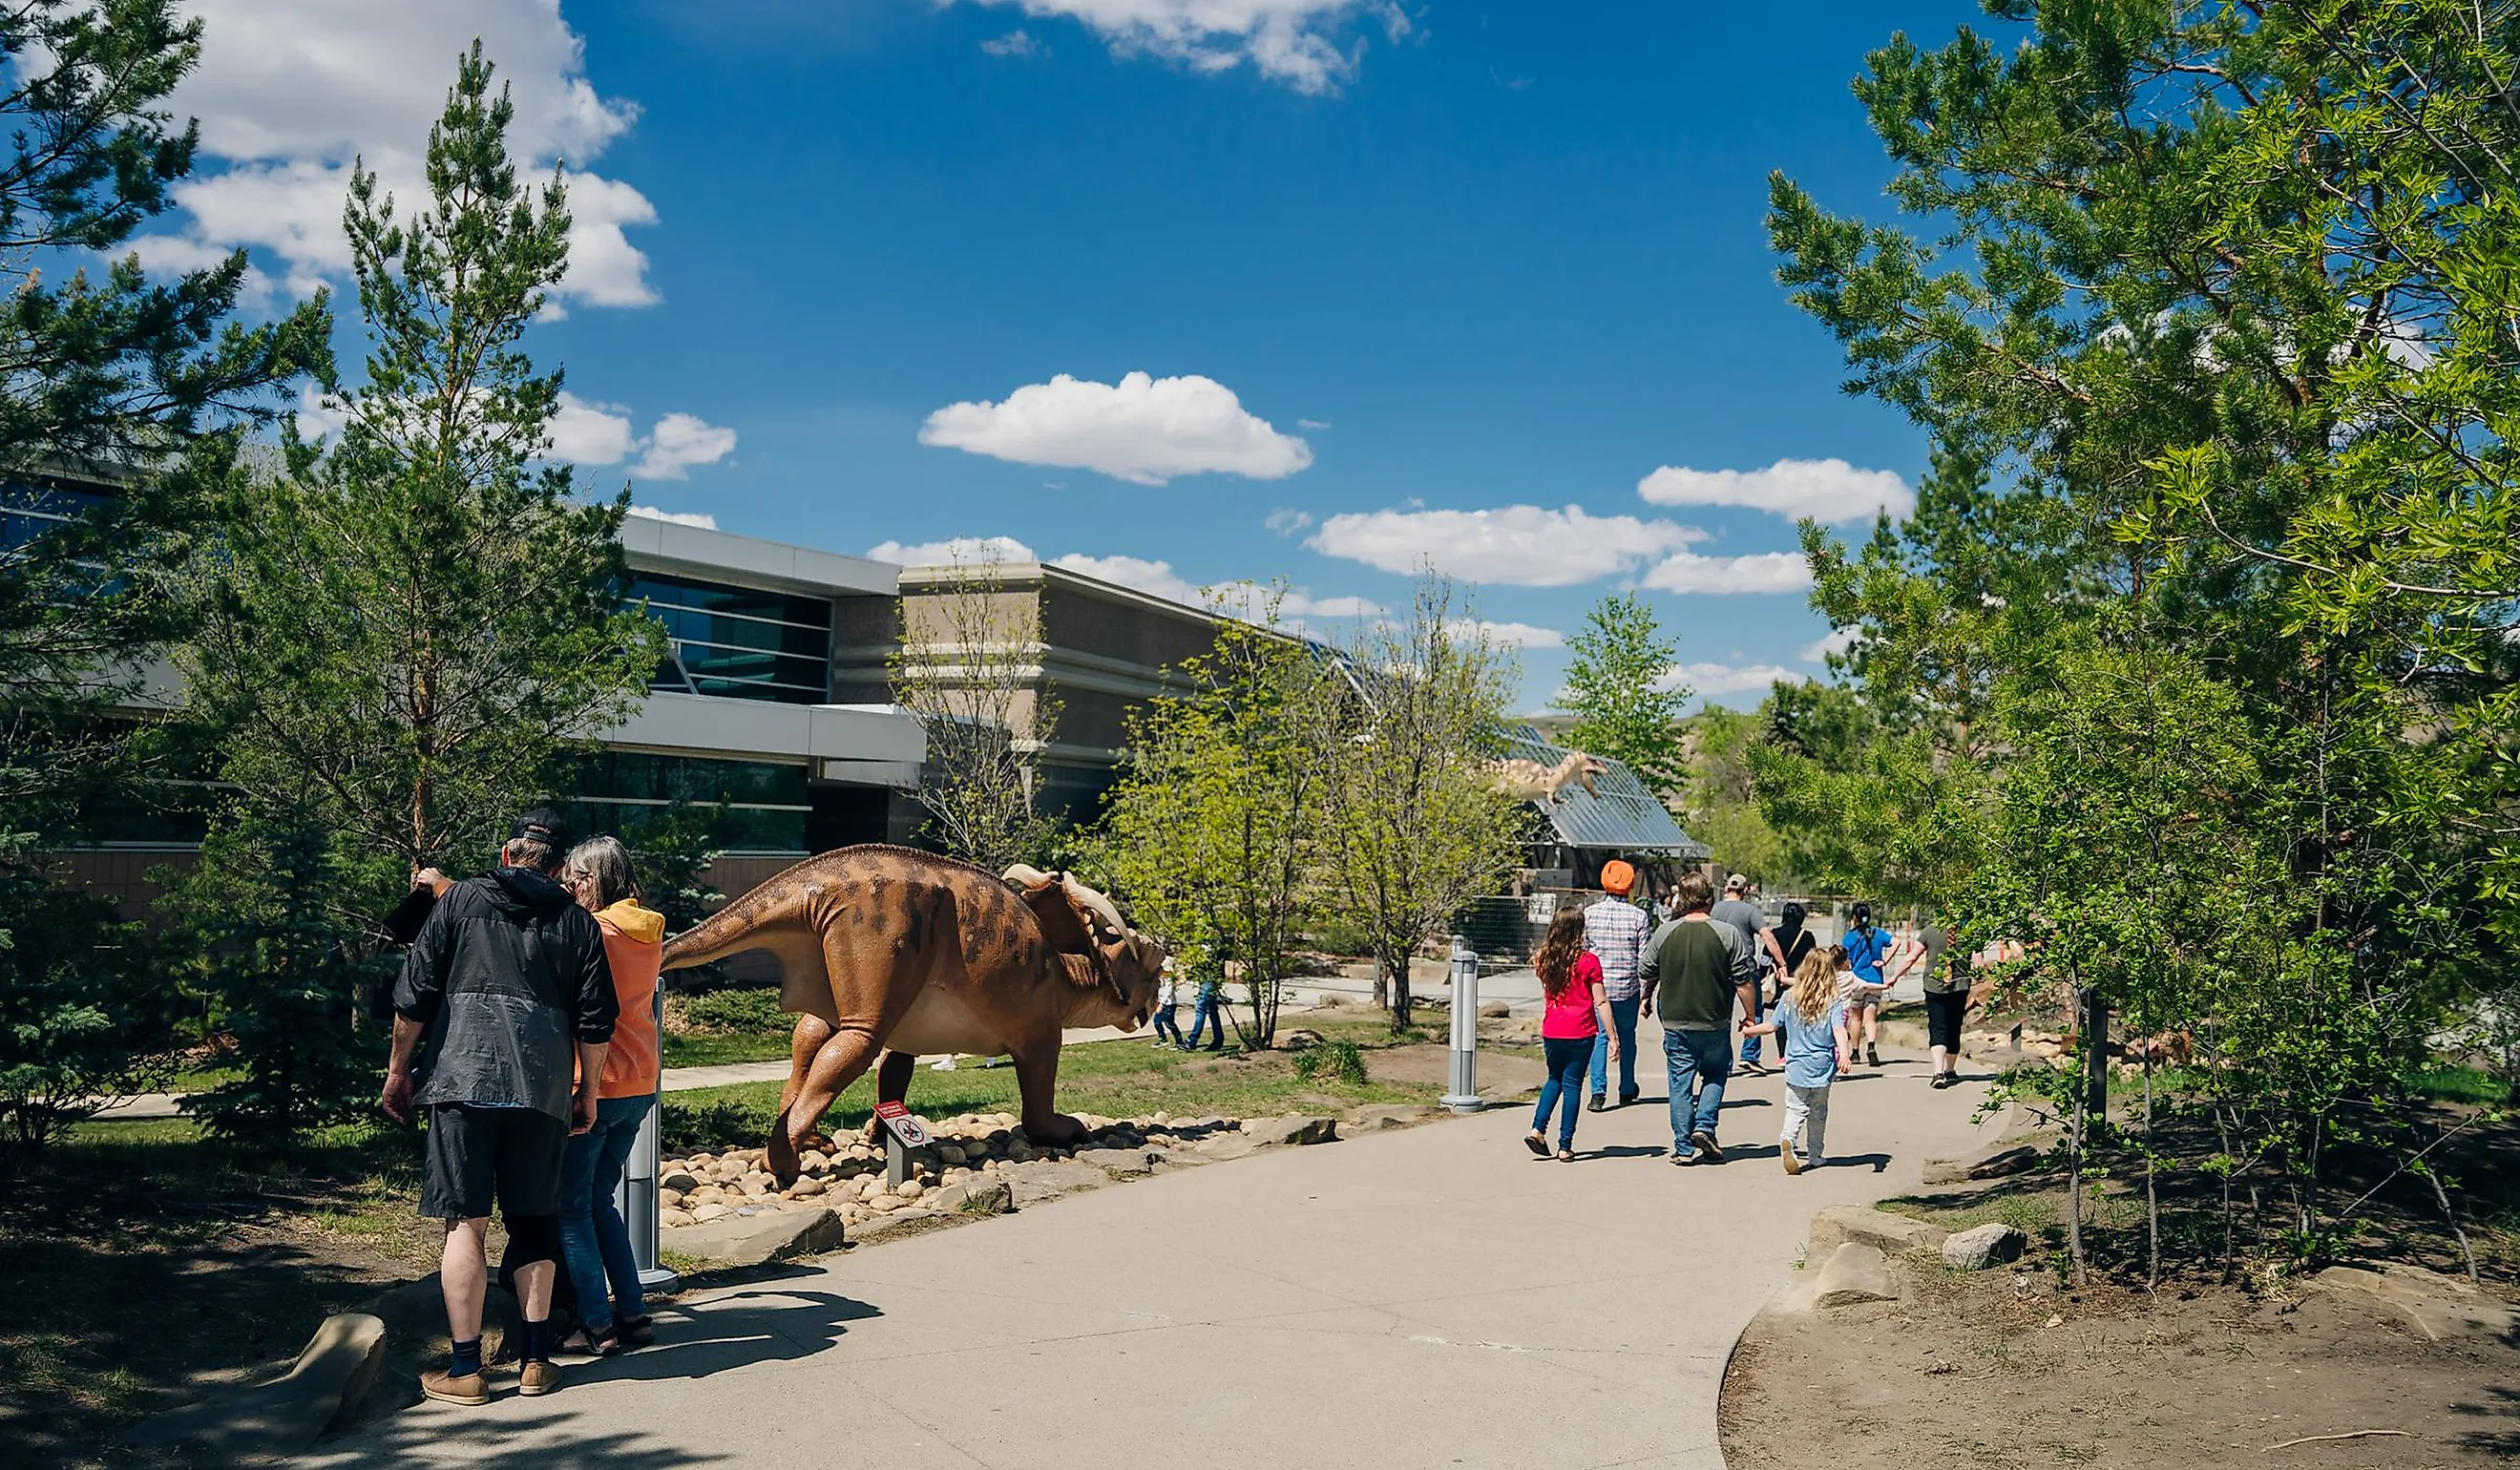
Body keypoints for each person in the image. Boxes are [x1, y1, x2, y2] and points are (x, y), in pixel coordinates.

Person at [382, 809, 618, 1406]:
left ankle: (467, 1371)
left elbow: (414, 996)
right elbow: (596, 1021)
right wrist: (587, 1092)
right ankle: (536, 1363)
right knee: (535, 1222)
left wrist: (398, 1072)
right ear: (560, 869)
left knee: (465, 1222)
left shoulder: (459, 902)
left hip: (461, 1082)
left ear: (507, 854)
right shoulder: (579, 924)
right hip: (541, 1091)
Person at [553, 836, 664, 1357]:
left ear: (591, 881)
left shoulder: (593, 931)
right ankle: (633, 1313)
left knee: (572, 1206)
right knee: (601, 1199)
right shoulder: (648, 929)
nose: (567, 887)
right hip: (639, 1082)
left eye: (573, 879)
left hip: (597, 1084)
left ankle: (596, 1325)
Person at [1641, 870, 1757, 1166]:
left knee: (1679, 1082)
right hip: (1714, 1019)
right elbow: (1743, 982)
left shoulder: (1665, 932)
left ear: (1682, 899)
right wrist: (1750, 1016)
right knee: (1716, 1073)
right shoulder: (1727, 934)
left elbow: (1645, 969)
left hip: (1675, 1020)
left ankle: (1683, 1148)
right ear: (1709, 899)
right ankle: (1704, 1126)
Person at [1740, 947, 1854, 1172]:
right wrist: (1844, 1054)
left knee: (1795, 1108)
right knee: (1818, 1112)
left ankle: (1788, 1139)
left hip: (1796, 1065)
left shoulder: (1789, 998)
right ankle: (1815, 1155)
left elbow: (1772, 1026)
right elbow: (1839, 1030)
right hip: (1822, 1066)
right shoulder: (1833, 1001)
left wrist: (1750, 1031)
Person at [1527, 905, 1615, 1161]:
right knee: (1573, 1085)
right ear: (1580, 930)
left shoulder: (1544, 958)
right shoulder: (1588, 961)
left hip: (1552, 1029)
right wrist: (1612, 1036)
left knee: (1554, 1078)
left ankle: (1537, 1129)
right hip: (1580, 1031)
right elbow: (1601, 1001)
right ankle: (1564, 1145)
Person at [1582, 859, 1651, 1111]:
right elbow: (1644, 958)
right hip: (1627, 988)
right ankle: (1627, 1087)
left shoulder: (1589, 914)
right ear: (1630, 885)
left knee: (1600, 1037)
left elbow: (1584, 951)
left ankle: (1597, 1093)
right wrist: (1646, 993)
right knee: (1627, 1036)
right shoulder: (1639, 916)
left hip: (1597, 987)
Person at [1712, 874, 1788, 1072]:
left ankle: (1723, 1062)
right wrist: (1781, 962)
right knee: (1754, 1010)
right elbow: (1767, 936)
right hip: (1744, 965)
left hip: (1719, 966)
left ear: (1726, 889)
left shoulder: (1715, 909)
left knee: (1722, 1015)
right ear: (1745, 891)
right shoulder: (1749, 911)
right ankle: (1749, 1055)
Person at [1896, 917, 1970, 1088]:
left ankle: (1938, 1072)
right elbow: (1979, 961)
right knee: (1954, 1027)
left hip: (1934, 986)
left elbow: (1911, 957)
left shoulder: (1929, 931)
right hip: (1960, 987)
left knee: (1938, 1027)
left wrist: (1894, 977)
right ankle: (1950, 1070)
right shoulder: (1970, 932)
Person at [1840, 902, 1896, 1068]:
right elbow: (1896, 942)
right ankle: (1871, 1046)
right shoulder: (1877, 933)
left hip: (1856, 981)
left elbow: (1845, 958)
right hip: (1875, 981)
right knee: (1870, 1018)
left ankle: (1855, 1052)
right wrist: (1885, 960)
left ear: (1854, 918)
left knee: (1856, 1018)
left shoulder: (1850, 937)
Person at [1184, 964, 1228, 1052]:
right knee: (1212, 1011)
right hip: (1211, 979)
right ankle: (1218, 1039)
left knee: (1200, 1010)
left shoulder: (1208, 958)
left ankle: (1192, 1041)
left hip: (1208, 980)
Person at [1149, 957, 1186, 1048]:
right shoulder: (1160, 979)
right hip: (1162, 1003)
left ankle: (1179, 1041)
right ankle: (1163, 1039)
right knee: (1157, 1021)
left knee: (1169, 1023)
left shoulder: (1168, 980)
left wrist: (1161, 1004)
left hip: (1169, 1004)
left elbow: (1168, 993)